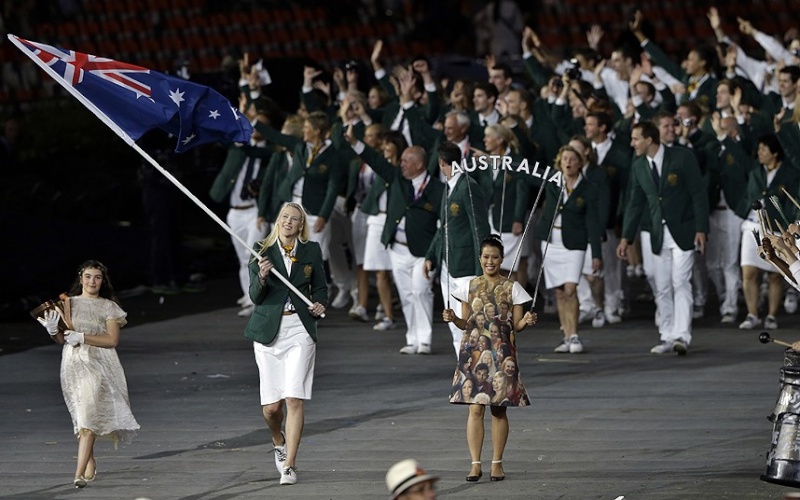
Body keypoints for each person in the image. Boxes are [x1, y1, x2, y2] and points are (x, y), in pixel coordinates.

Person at [243, 202, 327, 486]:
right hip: (269, 332)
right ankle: (277, 440)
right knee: (271, 409)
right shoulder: (260, 250)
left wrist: (319, 303)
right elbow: (255, 295)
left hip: (299, 329)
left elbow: (321, 287)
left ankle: (290, 464)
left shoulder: (311, 251)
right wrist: (264, 275)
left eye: (294, 219)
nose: (288, 222)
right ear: (277, 221)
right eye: (284, 217)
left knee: (294, 398)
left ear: (301, 225)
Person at [36, 260, 139, 488]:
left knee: (88, 415)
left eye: (97, 277)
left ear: (103, 281)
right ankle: (90, 458)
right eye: (89, 276)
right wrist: (54, 332)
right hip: (73, 363)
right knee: (82, 412)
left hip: (100, 363)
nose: (92, 281)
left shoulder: (109, 307)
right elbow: (62, 338)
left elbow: (112, 340)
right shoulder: (68, 304)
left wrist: (83, 337)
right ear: (81, 278)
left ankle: (78, 473)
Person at [442, 234, 537, 483]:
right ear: (480, 258)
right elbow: (466, 323)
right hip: (473, 354)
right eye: (486, 257)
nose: (490, 261)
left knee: (497, 409)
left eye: (495, 257)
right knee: (475, 408)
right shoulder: (469, 287)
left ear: (502, 258)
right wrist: (453, 319)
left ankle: (497, 463)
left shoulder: (512, 287)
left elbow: (516, 325)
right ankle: (475, 464)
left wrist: (526, 321)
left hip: (503, 352)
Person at [617, 121, 709, 355]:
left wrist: (701, 229)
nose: (632, 143)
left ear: (649, 139)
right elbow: (635, 203)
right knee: (662, 286)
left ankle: (682, 336)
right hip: (657, 233)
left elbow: (698, 193)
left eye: (636, 138)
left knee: (680, 281)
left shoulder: (682, 157)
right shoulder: (638, 165)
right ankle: (667, 335)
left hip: (684, 231)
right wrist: (626, 237)